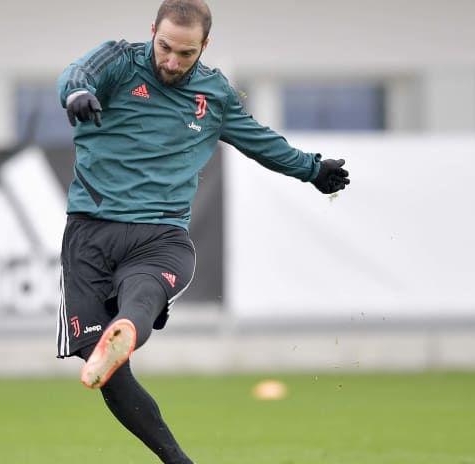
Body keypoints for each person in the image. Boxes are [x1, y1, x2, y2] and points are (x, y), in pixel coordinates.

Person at [55, 0, 350, 462]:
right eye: (165, 47)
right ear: (151, 31)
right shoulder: (118, 61)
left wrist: (312, 170)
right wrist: (76, 95)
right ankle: (172, 448)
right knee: (103, 367)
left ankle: (129, 328)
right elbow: (77, 73)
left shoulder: (214, 95)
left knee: (141, 293)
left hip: (161, 237)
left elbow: (260, 142)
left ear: (205, 46)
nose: (171, 61)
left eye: (185, 54)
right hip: (91, 235)